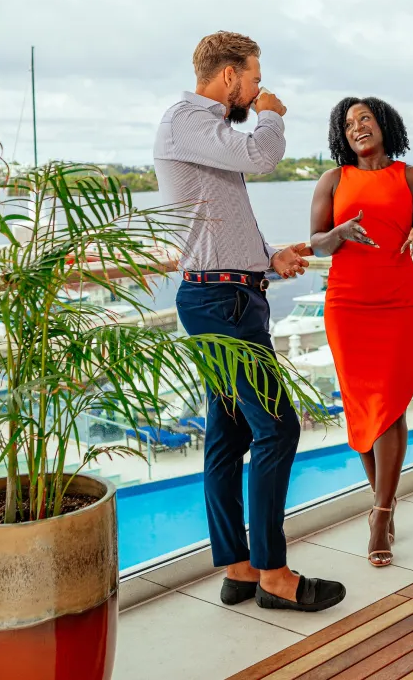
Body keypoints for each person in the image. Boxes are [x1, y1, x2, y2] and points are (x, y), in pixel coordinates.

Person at [154, 31, 346, 613]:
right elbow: (263, 157)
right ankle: (273, 574)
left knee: (231, 435)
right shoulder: (187, 117)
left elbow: (219, 218)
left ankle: (239, 569)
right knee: (279, 429)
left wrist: (267, 259)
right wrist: (270, 117)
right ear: (229, 74)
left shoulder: (205, 132)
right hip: (220, 305)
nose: (262, 89)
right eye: (256, 79)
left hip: (229, 297)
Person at [310, 97, 413, 568]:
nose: (357, 127)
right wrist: (338, 233)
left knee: (391, 404)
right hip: (348, 307)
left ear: (384, 123)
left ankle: (380, 514)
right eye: (348, 124)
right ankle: (382, 504)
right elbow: (317, 244)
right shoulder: (332, 181)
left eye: (364, 118)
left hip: (399, 305)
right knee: (363, 408)